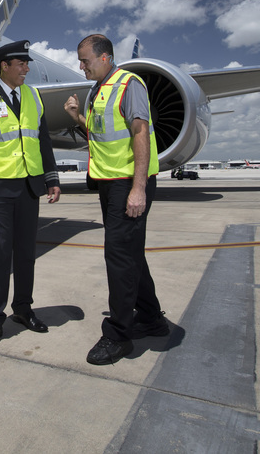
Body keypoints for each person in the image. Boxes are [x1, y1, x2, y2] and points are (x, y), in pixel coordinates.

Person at [63, 34, 170, 365]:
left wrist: (138, 188)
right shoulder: (98, 91)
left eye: (85, 60)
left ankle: (118, 335)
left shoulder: (128, 84)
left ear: (105, 58)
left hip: (128, 183)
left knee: (119, 256)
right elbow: (99, 135)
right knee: (129, 253)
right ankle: (151, 318)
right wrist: (77, 117)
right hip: (110, 183)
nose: (81, 66)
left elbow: (140, 132)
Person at [0, 40, 62, 352]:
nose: (27, 69)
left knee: (25, 255)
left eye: (26, 64)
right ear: (4, 65)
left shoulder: (33, 96)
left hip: (29, 188)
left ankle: (23, 309)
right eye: (21, 64)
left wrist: (52, 178)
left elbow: (42, 139)